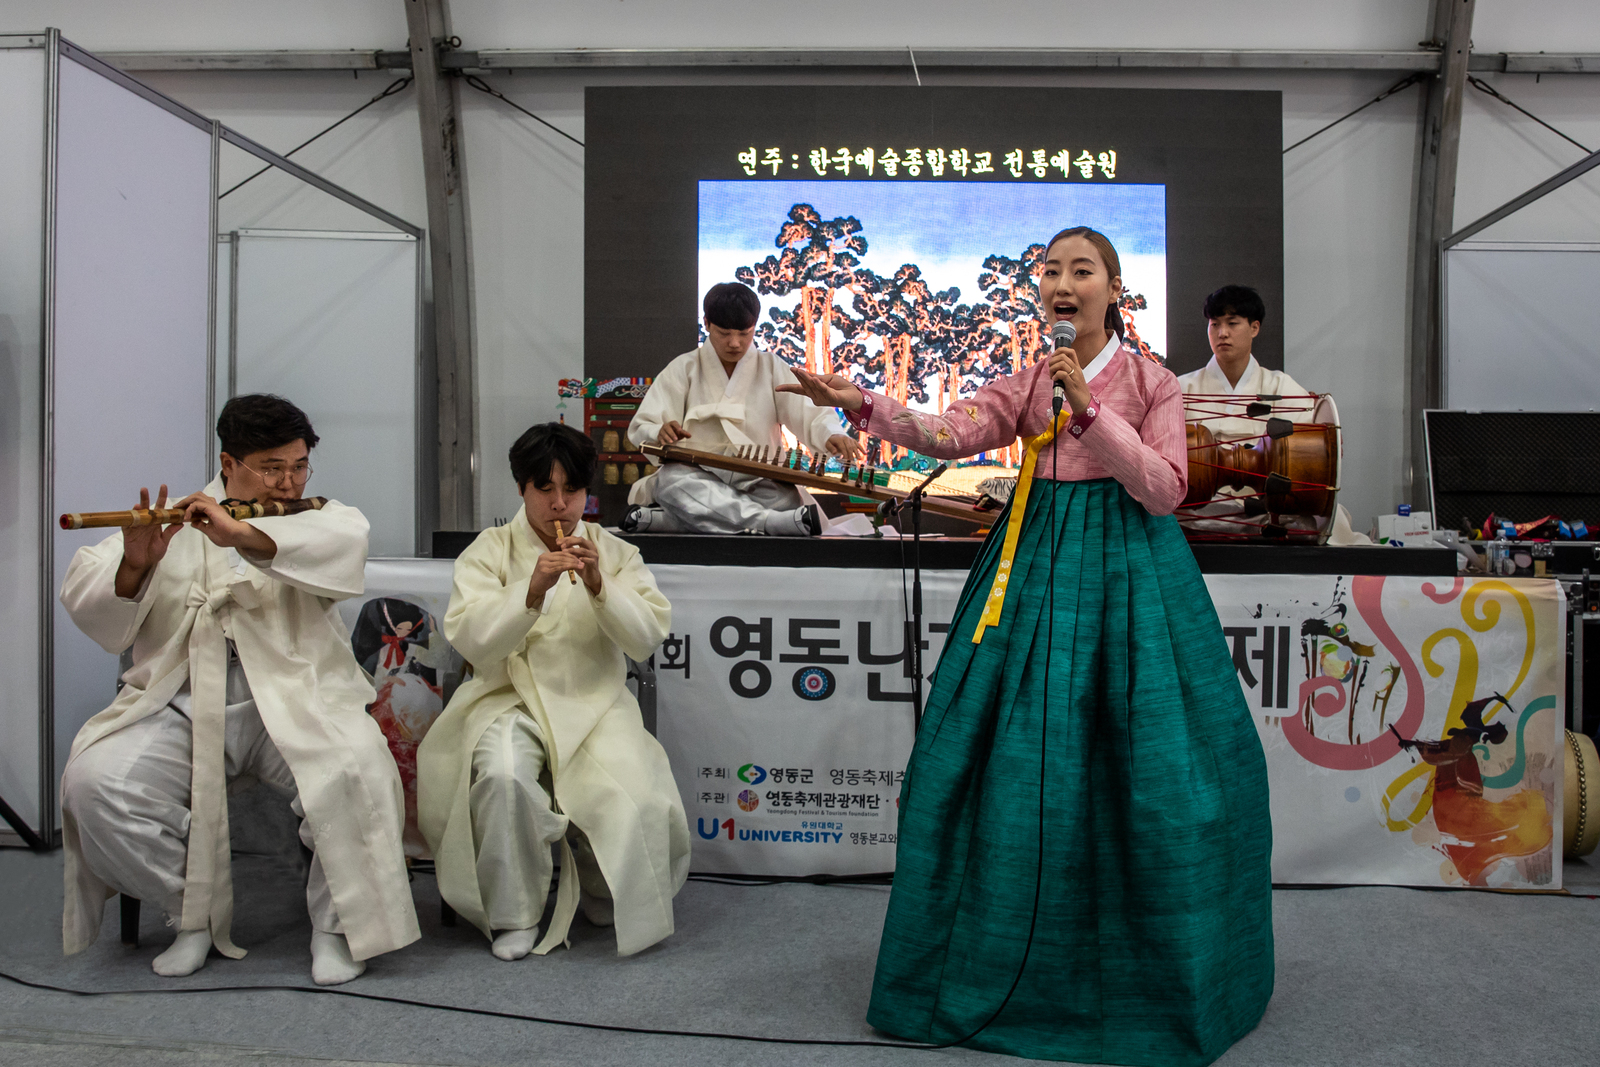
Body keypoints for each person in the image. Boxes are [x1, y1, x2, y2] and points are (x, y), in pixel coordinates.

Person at [779, 228, 1274, 1065]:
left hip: (1130, 574)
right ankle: (1003, 956)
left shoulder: (1151, 383)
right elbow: (950, 430)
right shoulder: (1030, 378)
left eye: (1082, 270)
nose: (1062, 283)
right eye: (1050, 271)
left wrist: (1091, 411)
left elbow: (1164, 488)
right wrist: (860, 401)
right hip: (1032, 564)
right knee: (998, 764)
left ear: (1115, 288)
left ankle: (1141, 976)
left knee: (1151, 769)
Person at [59, 394, 419, 985]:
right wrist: (136, 565)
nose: (288, 482)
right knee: (95, 785)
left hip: (297, 695)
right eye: (271, 468)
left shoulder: (319, 516)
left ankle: (339, 929)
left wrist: (241, 535)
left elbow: (346, 543)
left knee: (359, 769)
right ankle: (192, 912)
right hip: (180, 700)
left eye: (298, 466)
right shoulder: (176, 521)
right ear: (229, 463)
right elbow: (92, 603)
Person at [417, 422, 689, 961]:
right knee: (504, 775)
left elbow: (645, 638)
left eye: (572, 490)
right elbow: (471, 639)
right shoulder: (489, 550)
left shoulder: (615, 553)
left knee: (635, 795)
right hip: (506, 700)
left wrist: (600, 585)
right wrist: (531, 590)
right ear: (522, 488)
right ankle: (514, 912)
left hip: (596, 701)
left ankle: (602, 889)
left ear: (588, 492)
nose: (560, 504)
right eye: (544, 489)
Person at [623, 281, 862, 536]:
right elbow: (643, 426)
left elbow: (808, 411)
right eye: (724, 333)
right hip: (697, 475)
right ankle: (769, 522)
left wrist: (831, 434)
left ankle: (672, 521)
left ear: (754, 327)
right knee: (671, 482)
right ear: (706, 324)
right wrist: (660, 431)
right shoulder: (684, 368)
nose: (735, 343)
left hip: (758, 479)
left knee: (787, 499)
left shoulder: (771, 367)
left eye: (744, 333)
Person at [1178, 284, 1315, 441]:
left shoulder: (1281, 387)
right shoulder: (1181, 388)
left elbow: (1304, 445)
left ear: (1254, 328)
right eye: (1215, 324)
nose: (1222, 333)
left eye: (1232, 323)